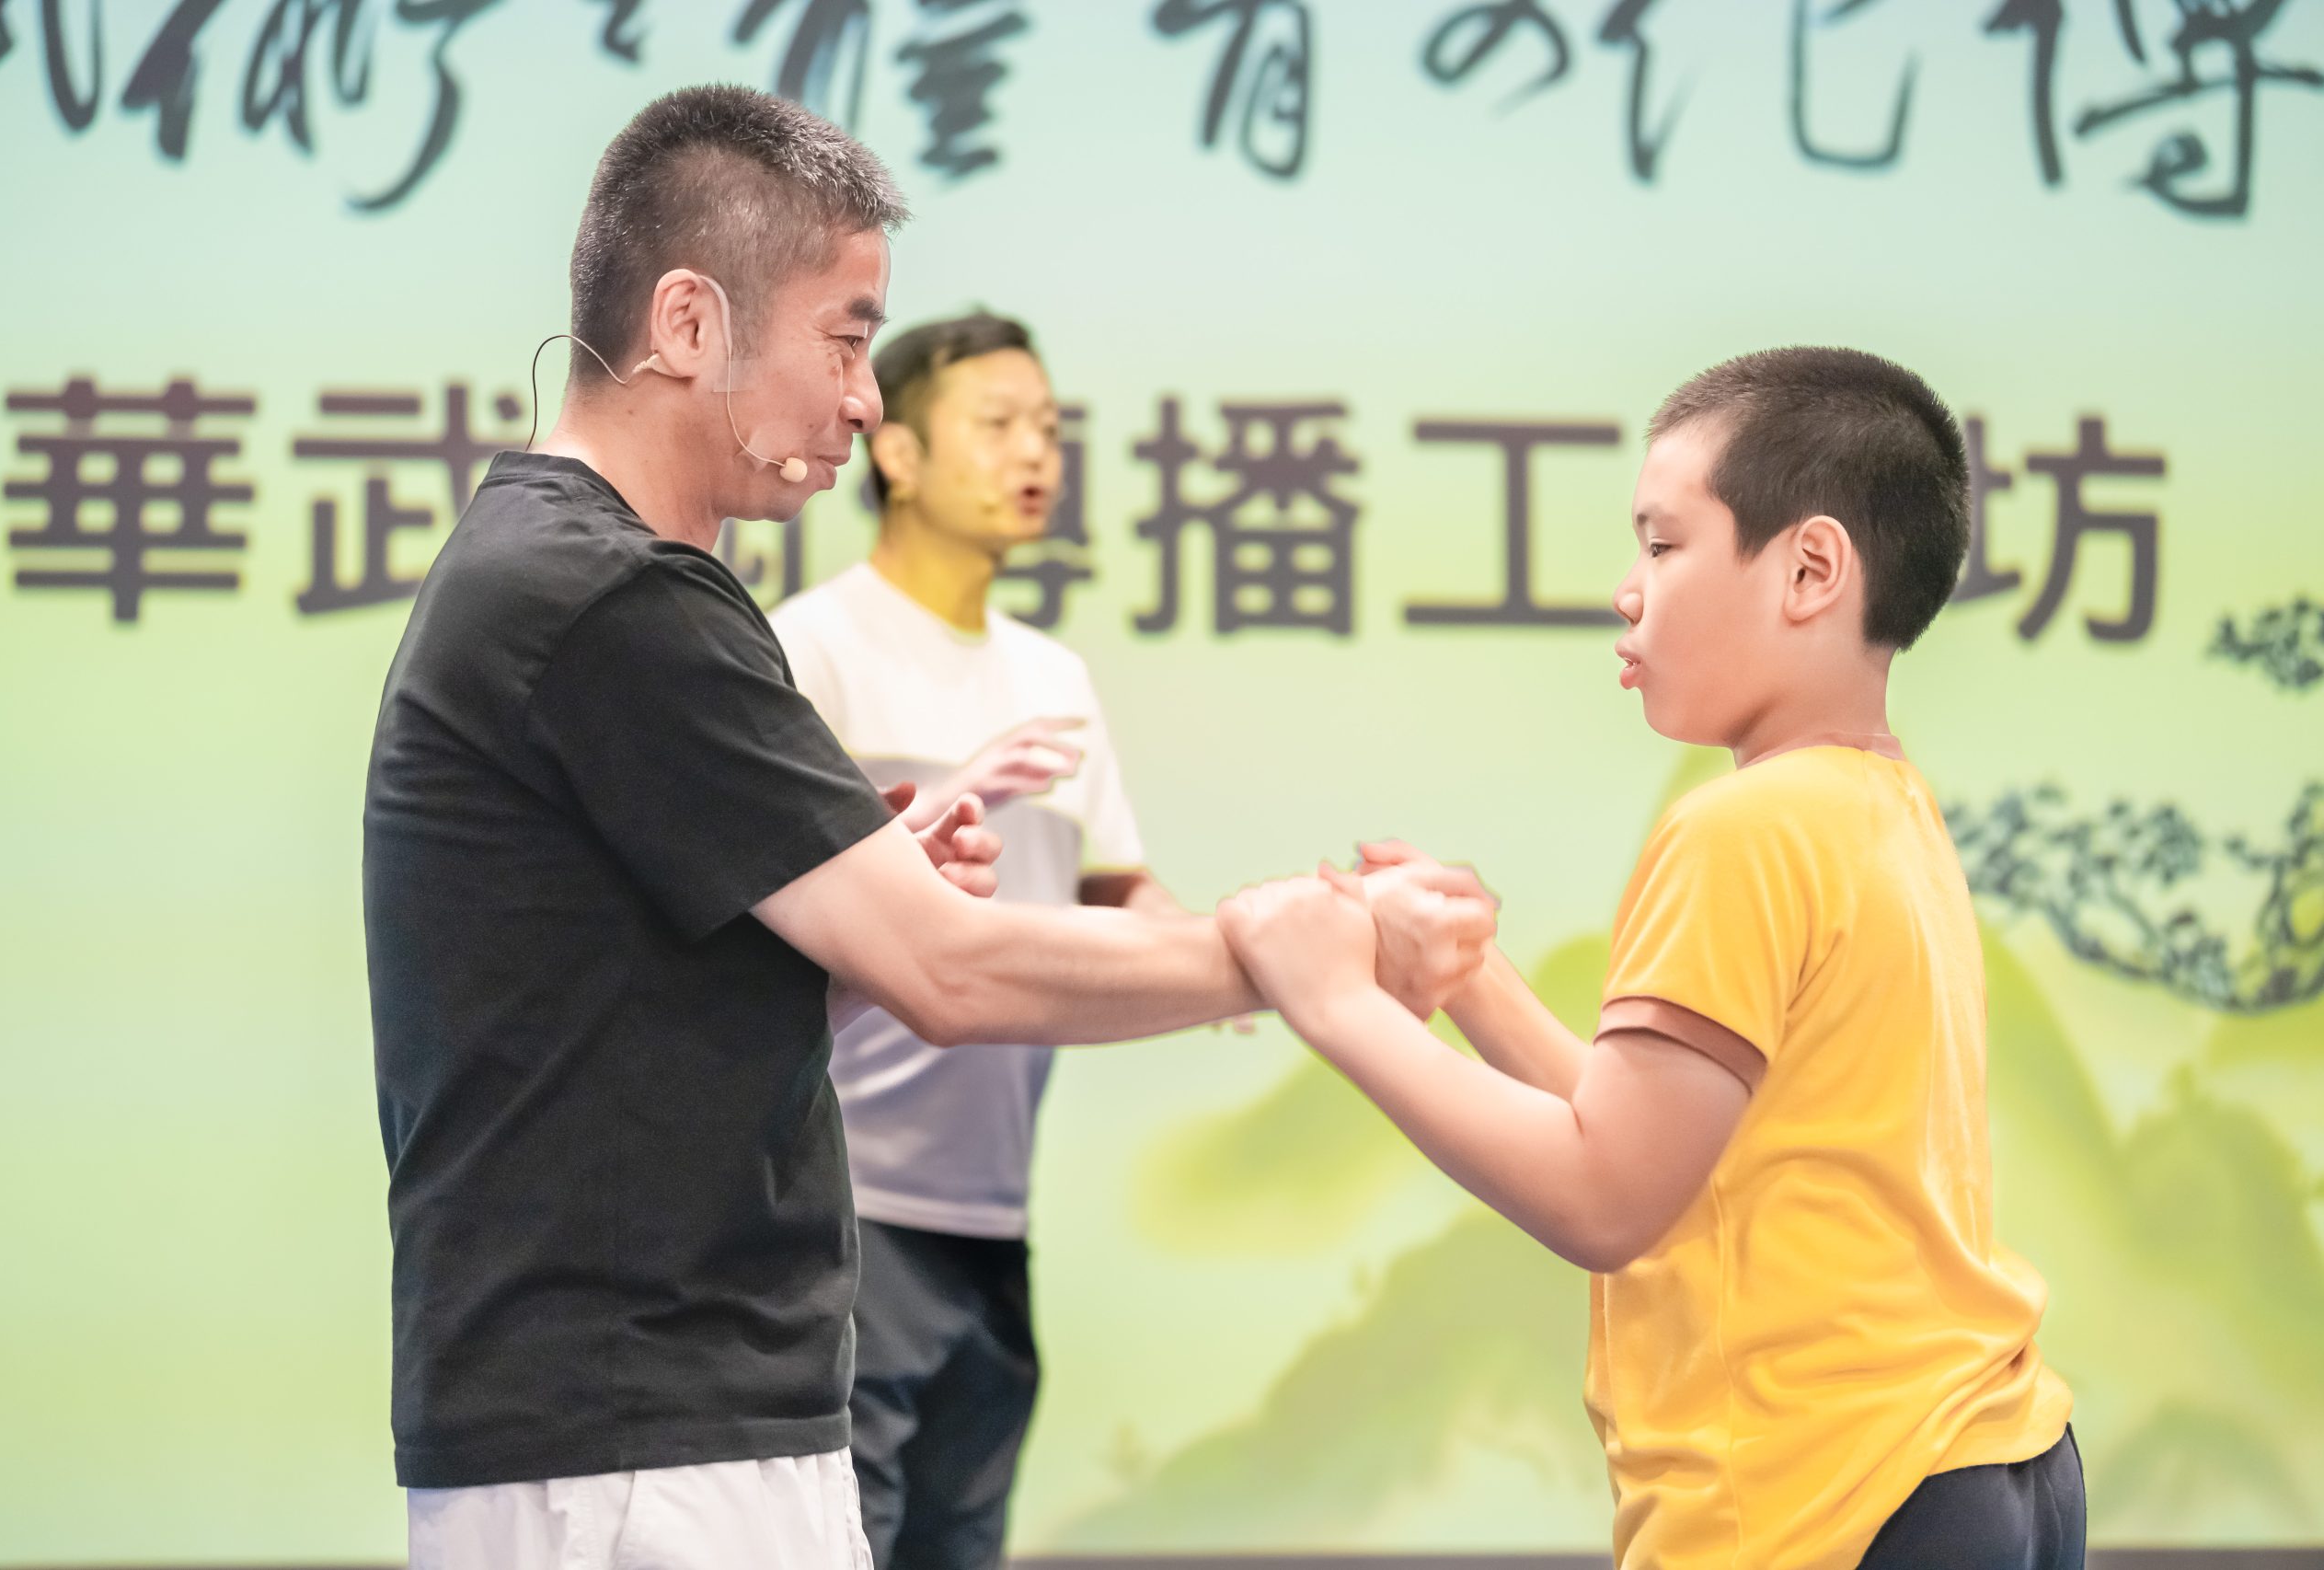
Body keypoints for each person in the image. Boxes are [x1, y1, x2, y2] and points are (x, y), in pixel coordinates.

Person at [363, 86, 1492, 1570]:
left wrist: (849, 919)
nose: (863, 401)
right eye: (844, 340)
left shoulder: (576, 576)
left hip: (657, 1416)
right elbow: (950, 972)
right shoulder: (613, 595)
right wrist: (1299, 951)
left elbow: (656, 1004)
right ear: (689, 321)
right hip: (640, 1437)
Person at [1218, 348, 2082, 1570]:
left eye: (1664, 546)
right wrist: (1472, 982)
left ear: (1812, 569)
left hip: (1824, 1496)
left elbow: (1606, 1195)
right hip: (1981, 1459)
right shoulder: (1878, 807)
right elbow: (1668, 1143)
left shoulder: (1741, 827)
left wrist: (1334, 1002)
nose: (1628, 594)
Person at [769, 309, 1202, 1570]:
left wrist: (1270, 950)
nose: (1035, 454)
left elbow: (1121, 894)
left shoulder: (1055, 678)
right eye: (998, 424)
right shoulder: (810, 648)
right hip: (845, 1212)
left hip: (992, 1217)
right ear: (896, 452)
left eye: (1050, 428)